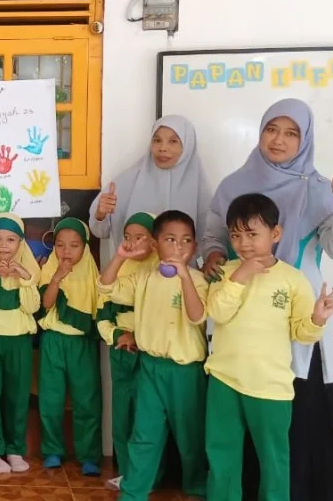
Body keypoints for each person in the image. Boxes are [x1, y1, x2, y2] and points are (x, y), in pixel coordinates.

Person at [201, 99, 333, 501]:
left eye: (292, 133)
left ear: (305, 140)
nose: (279, 140)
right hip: (241, 311)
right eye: (272, 129)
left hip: (298, 306)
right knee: (233, 417)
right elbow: (212, 239)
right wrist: (218, 258)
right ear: (260, 131)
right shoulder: (233, 185)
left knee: (291, 418)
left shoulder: (320, 189)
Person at [205, 193, 333, 501]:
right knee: (222, 455)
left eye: (253, 234)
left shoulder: (293, 279)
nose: (244, 243)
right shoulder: (225, 273)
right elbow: (218, 312)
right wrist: (240, 276)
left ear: (275, 234)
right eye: (236, 235)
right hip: (224, 379)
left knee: (274, 459)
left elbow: (302, 334)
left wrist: (317, 318)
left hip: (271, 386)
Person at [97, 210, 209, 499]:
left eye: (186, 241)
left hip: (186, 372)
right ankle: (134, 490)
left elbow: (197, 316)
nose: (179, 247)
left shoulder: (197, 280)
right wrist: (120, 256)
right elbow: (105, 286)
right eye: (170, 239)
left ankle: (196, 487)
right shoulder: (144, 278)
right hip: (150, 367)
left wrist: (184, 275)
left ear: (195, 246)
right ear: (156, 244)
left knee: (190, 437)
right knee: (144, 434)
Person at [94, 211, 160, 491]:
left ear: (155, 241)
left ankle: (151, 473)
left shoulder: (164, 270)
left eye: (140, 237)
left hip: (150, 351)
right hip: (122, 349)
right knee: (122, 413)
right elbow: (102, 310)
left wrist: (140, 335)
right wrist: (118, 334)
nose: (132, 243)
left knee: (148, 417)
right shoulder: (117, 270)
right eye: (128, 237)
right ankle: (126, 470)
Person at [0, 213, 41, 474]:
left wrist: (24, 277)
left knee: (17, 397)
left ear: (21, 243)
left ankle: (14, 449)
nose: (4, 245)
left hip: (20, 343)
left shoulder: (28, 274)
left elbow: (32, 306)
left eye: (11, 239)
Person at [89, 115, 205, 262]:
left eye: (173, 141)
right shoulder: (125, 183)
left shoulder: (201, 190)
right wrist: (101, 214)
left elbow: (210, 240)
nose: (163, 148)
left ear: (187, 146)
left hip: (181, 277)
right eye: (157, 140)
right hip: (133, 276)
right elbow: (100, 231)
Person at [36, 217, 102, 476]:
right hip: (53, 340)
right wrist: (56, 279)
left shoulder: (91, 272)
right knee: (50, 399)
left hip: (81, 343)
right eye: (61, 245)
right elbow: (48, 304)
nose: (66, 251)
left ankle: (89, 455)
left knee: (86, 401)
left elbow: (98, 306)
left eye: (74, 245)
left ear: (84, 247)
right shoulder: (50, 267)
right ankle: (52, 450)